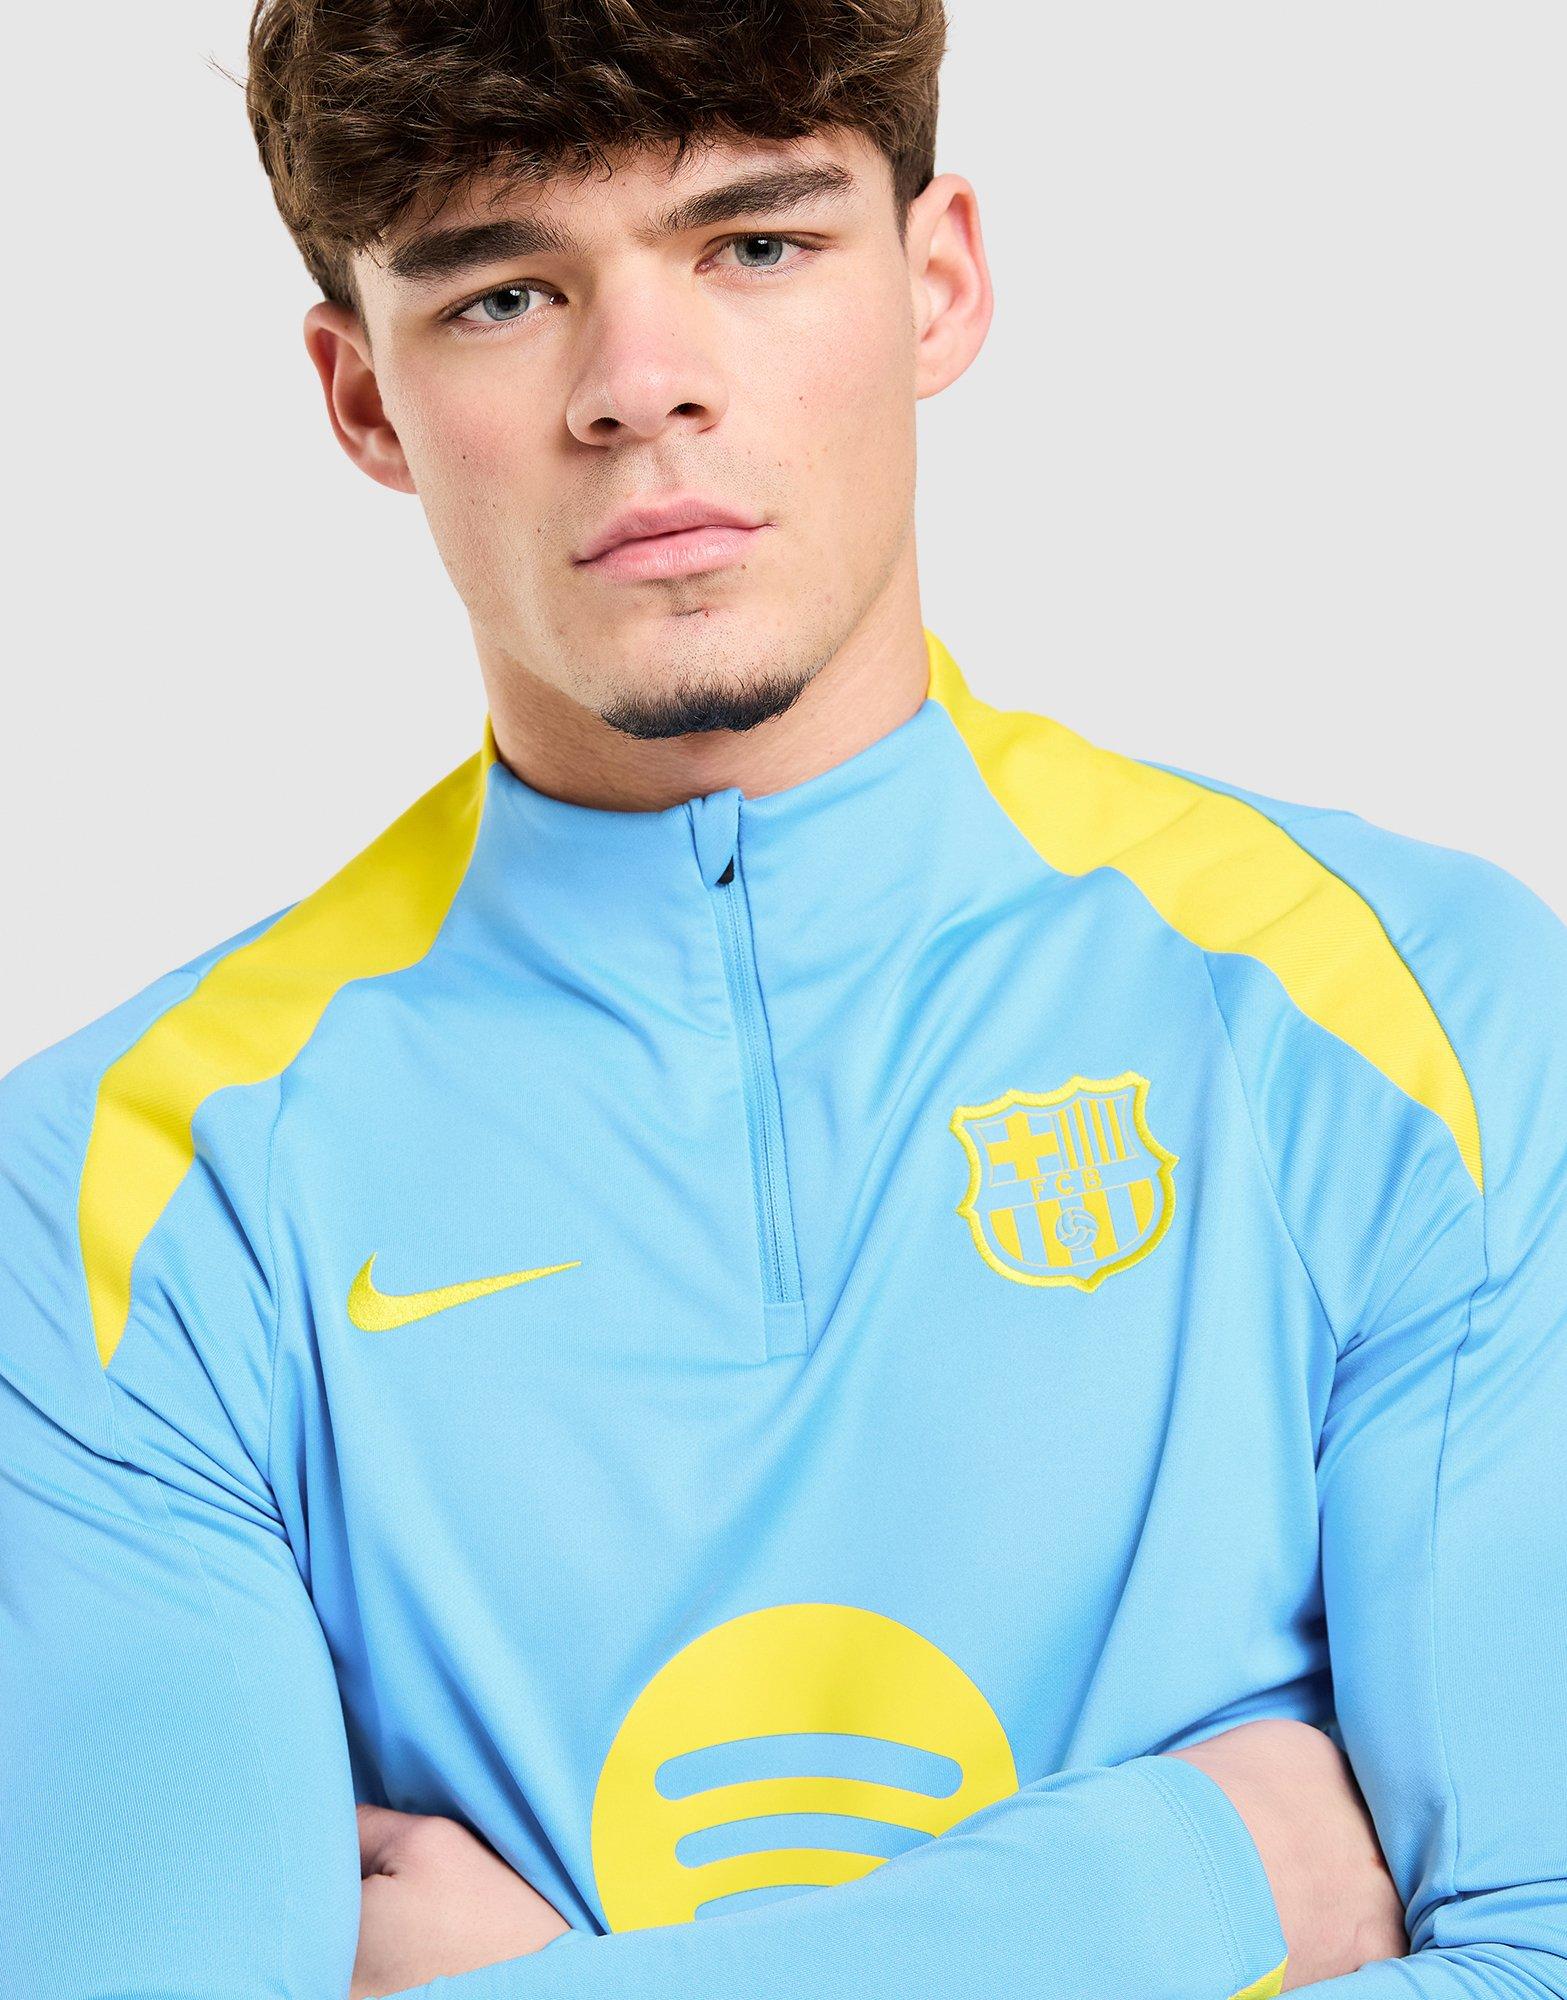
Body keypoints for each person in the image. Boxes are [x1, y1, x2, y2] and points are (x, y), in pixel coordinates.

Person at [2, 1, 1561, 1996]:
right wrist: (1202, 1880)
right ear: (364, 397)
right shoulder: (119, 1200)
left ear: (937, 281)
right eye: (501, 295)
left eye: (753, 244)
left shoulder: (1412, 1013)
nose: (639, 385)